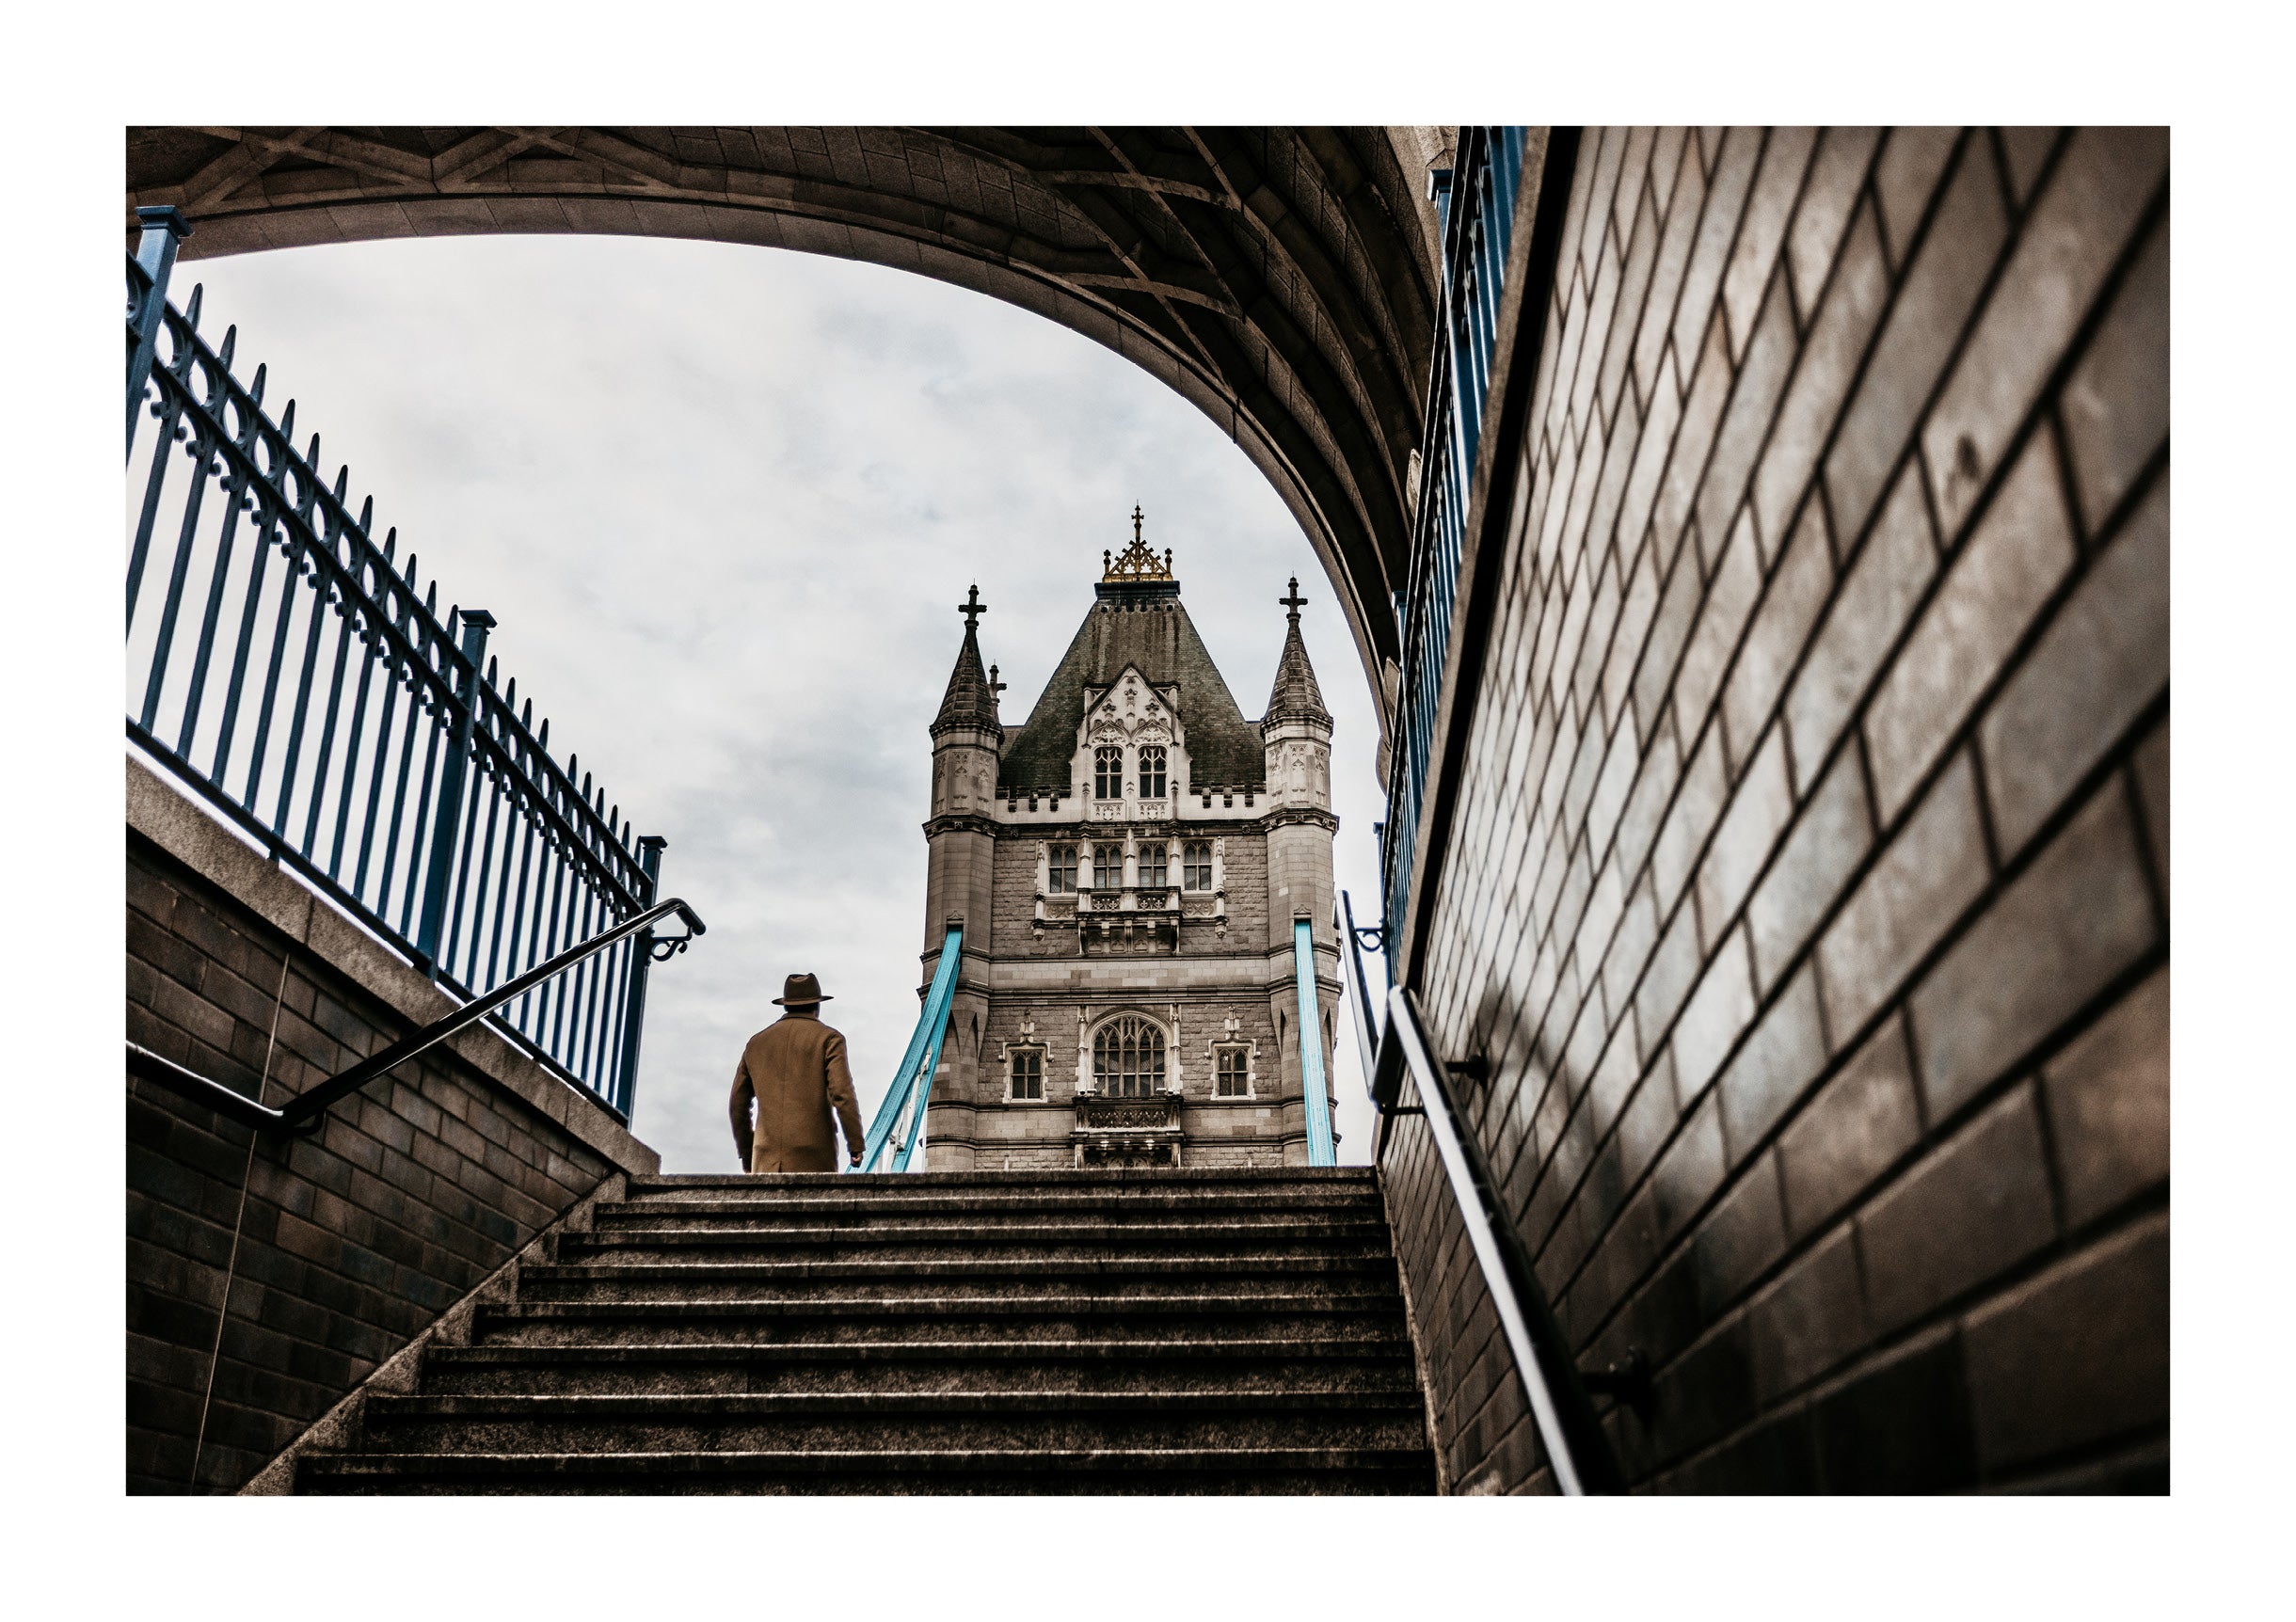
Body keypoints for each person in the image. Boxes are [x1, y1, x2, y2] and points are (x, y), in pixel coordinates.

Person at [730, 972, 867, 1171]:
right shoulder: (829, 1039)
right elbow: (842, 1094)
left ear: (786, 1005)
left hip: (765, 1160)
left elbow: (737, 1105)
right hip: (814, 1158)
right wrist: (855, 1144)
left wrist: (747, 1155)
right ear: (817, 1006)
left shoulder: (756, 1043)